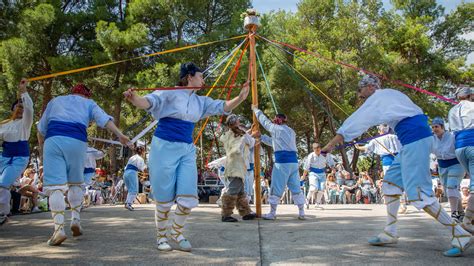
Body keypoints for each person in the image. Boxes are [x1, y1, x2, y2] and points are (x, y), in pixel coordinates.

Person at [322, 74, 471, 257]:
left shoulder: (378, 97)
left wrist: (330, 144)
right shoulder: (392, 94)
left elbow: (356, 121)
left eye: (361, 94)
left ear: (370, 88)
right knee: (390, 184)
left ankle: (460, 233)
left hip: (415, 141)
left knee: (418, 194)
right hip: (413, 141)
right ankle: (390, 231)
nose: (362, 99)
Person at [123, 62, 249, 252]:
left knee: (188, 195)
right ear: (189, 76)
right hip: (163, 147)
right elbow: (148, 102)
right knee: (164, 197)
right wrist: (134, 98)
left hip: (186, 149)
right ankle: (161, 237)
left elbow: (222, 106)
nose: (203, 79)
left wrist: (240, 97)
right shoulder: (168, 92)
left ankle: (177, 232)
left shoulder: (201, 101)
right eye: (200, 76)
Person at [37, 83, 130, 246]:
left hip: (54, 140)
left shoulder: (56, 101)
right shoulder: (89, 103)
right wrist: (120, 135)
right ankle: (76, 220)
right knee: (76, 183)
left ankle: (58, 229)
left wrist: (46, 144)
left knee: (55, 187)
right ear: (87, 95)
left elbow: (41, 128)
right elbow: (105, 120)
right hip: (77, 142)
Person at [251, 106, 305, 220]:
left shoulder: (275, 128)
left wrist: (256, 110)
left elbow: (264, 121)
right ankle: (301, 212)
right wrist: (261, 137)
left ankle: (272, 213)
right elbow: (274, 142)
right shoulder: (291, 131)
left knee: (276, 186)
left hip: (282, 162)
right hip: (294, 163)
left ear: (277, 120)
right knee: (296, 187)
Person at [0, 79, 33, 225]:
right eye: (17, 107)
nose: (20, 109)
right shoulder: (4, 125)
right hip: (4, 157)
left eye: (22, 108)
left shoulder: (25, 123)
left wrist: (23, 91)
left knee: (3, 183)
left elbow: (30, 109)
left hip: (19, 157)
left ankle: (2, 214)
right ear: (12, 109)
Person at [219, 114, 257, 222]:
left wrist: (249, 131)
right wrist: (254, 134)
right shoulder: (241, 134)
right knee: (233, 191)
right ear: (237, 123)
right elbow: (251, 142)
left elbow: (242, 138)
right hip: (238, 166)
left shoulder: (228, 134)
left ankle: (245, 213)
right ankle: (226, 215)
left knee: (240, 192)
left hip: (232, 165)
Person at [448, 87, 474, 235]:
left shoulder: (452, 111)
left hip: (459, 148)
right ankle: (467, 221)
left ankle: (470, 217)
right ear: (470, 95)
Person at [431, 117, 466, 222]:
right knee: (448, 190)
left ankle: (454, 214)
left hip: (456, 164)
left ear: (442, 127)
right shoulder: (432, 139)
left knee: (451, 187)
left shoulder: (452, 136)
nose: (434, 129)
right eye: (432, 127)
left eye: (436, 126)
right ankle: (461, 213)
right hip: (442, 166)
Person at [301, 143, 335, 209]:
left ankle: (317, 204)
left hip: (322, 173)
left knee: (322, 189)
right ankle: (306, 201)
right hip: (313, 173)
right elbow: (306, 167)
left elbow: (331, 162)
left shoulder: (325, 154)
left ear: (320, 149)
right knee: (313, 188)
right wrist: (303, 176)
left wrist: (333, 169)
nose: (318, 151)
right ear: (313, 149)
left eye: (319, 149)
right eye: (316, 150)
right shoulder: (311, 156)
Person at [123, 145, 147, 211]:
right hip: (132, 173)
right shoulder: (140, 158)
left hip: (126, 173)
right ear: (142, 151)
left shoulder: (132, 157)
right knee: (134, 190)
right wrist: (148, 172)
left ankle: (127, 203)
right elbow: (143, 168)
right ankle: (128, 204)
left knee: (130, 189)